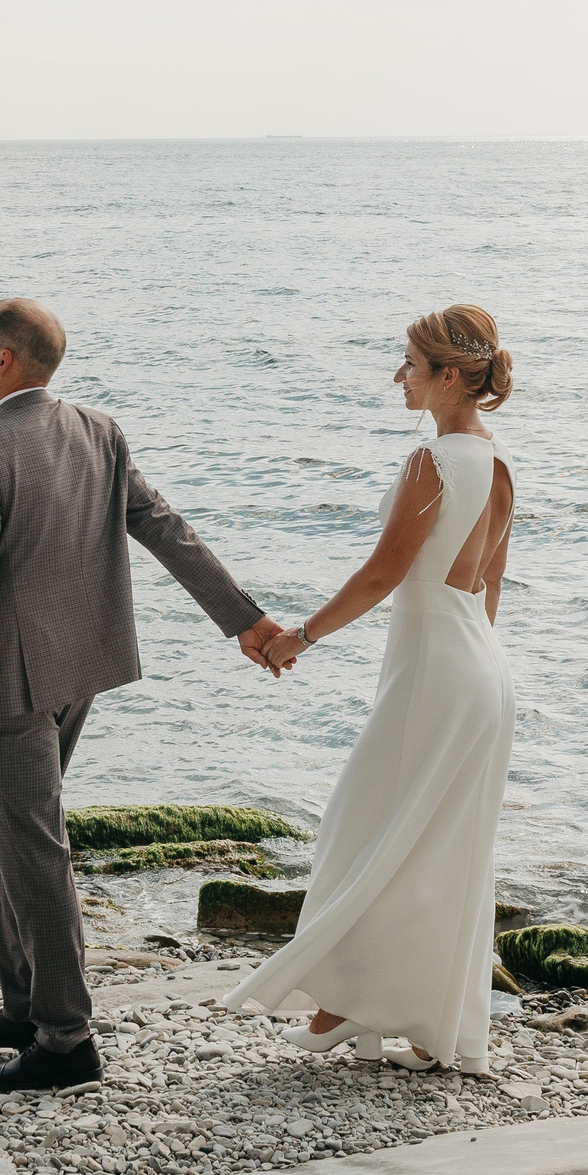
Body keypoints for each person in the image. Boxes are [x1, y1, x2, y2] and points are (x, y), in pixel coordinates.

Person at [0, 298, 286, 1092]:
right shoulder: (98, 430)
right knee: (17, 837)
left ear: (6, 360)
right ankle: (25, 1003)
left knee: (35, 850)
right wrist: (243, 619)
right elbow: (165, 526)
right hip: (80, 667)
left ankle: (67, 1040)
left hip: (9, 682)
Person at [231, 303, 517, 1072]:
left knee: (359, 829)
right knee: (439, 852)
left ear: (449, 378)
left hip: (436, 670)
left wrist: (300, 636)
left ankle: (342, 1006)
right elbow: (489, 586)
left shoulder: (433, 463)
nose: (399, 376)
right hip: (482, 672)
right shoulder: (498, 465)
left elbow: (385, 573)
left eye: (411, 366)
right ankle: (426, 1027)